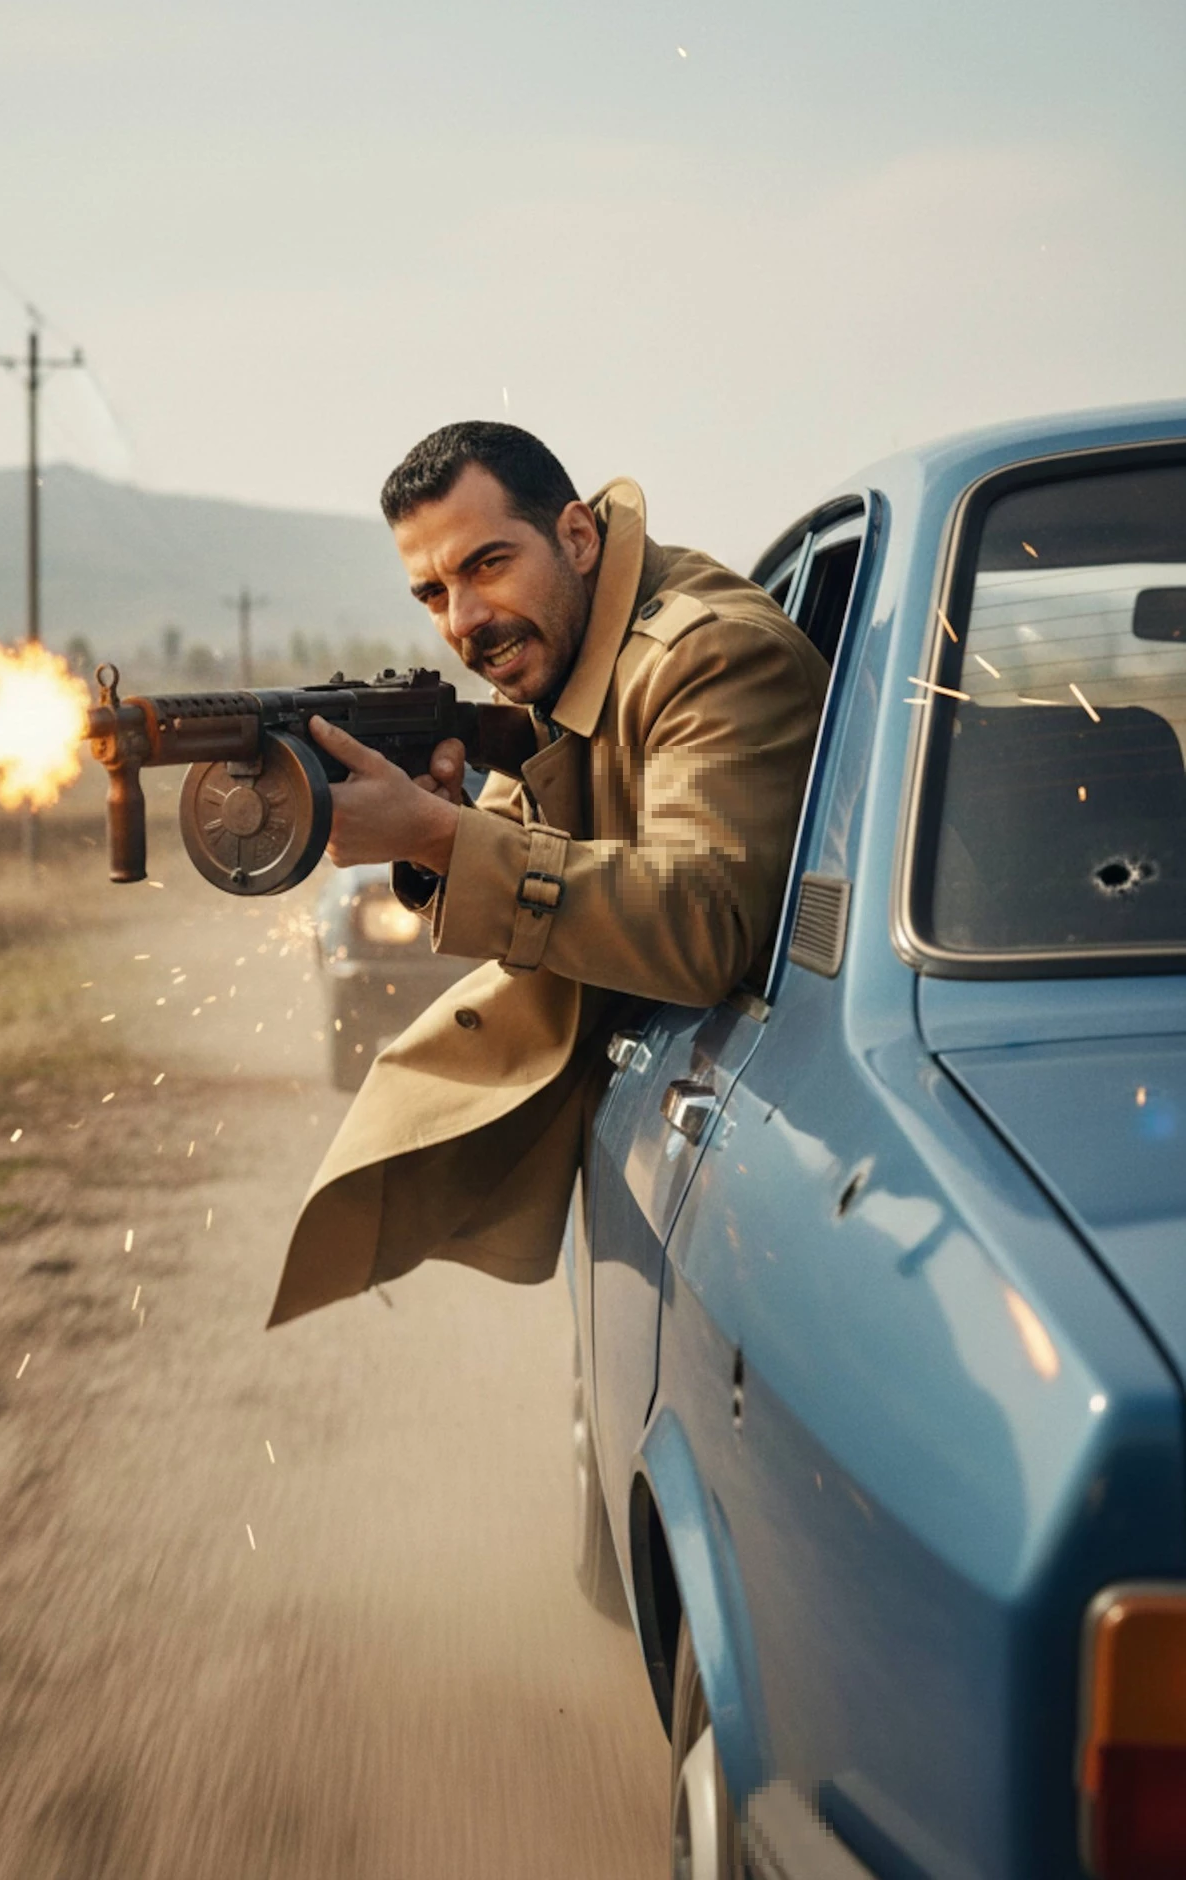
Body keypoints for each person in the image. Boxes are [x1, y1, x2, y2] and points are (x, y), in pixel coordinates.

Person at [268, 422, 828, 1326]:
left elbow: (700, 924)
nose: (463, 620)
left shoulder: (705, 657)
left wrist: (443, 840)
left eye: (486, 564)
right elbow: (515, 853)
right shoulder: (564, 654)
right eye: (431, 593)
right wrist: (432, 829)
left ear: (575, 536)